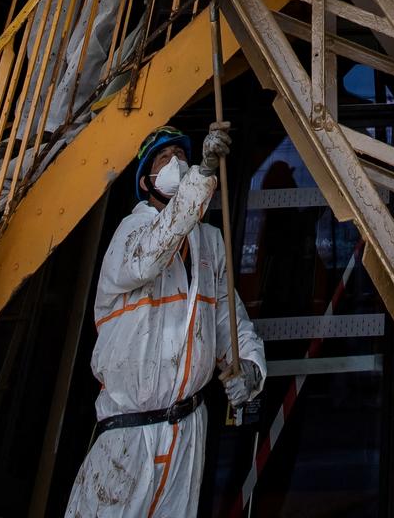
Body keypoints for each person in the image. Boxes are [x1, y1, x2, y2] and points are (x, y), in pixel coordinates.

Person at [64, 121, 266, 518]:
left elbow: (231, 322)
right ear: (145, 182)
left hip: (188, 431)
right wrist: (202, 177)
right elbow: (153, 253)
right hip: (128, 433)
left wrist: (252, 369)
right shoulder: (131, 233)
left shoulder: (210, 243)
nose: (176, 163)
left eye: (181, 157)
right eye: (164, 158)